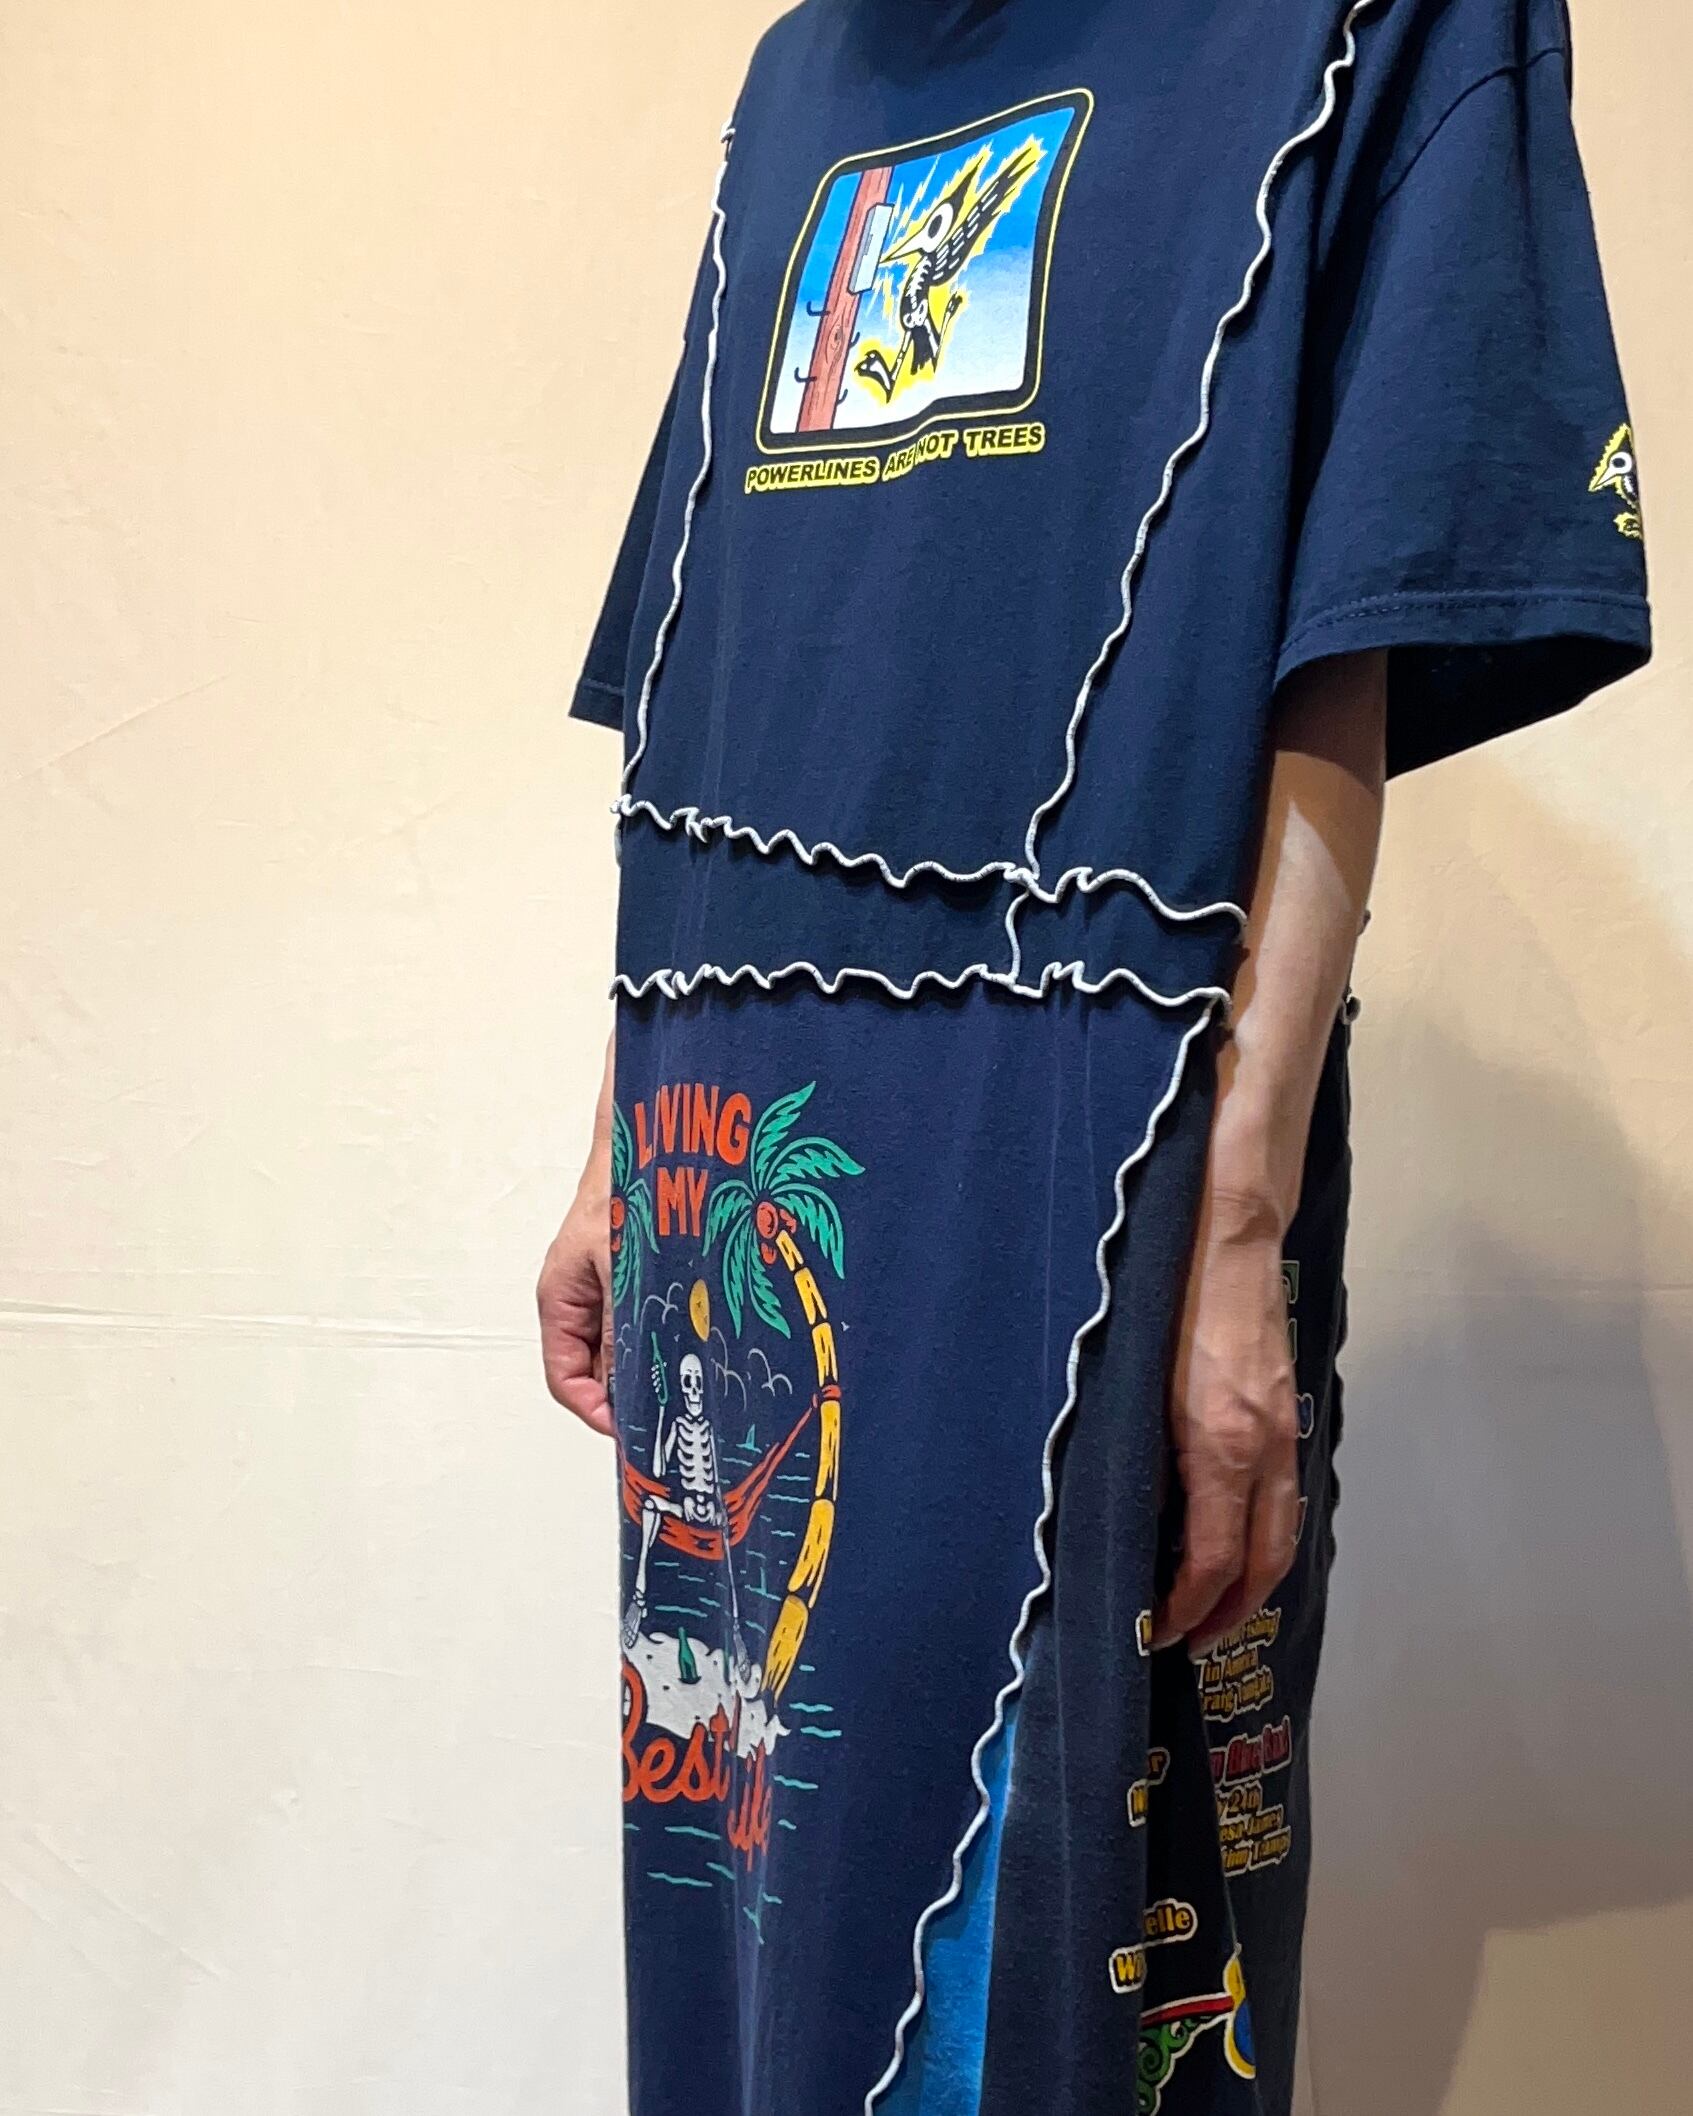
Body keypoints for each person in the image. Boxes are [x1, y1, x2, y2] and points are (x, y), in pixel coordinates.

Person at [538, 3, 1651, 2111]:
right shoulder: (806, 73)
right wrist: (619, 1137)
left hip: (1084, 1135)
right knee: (739, 1889)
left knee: (1063, 1950)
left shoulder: (1374, 22)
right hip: (742, 1151)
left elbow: (1349, 623)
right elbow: (711, 646)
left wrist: (1232, 1236)